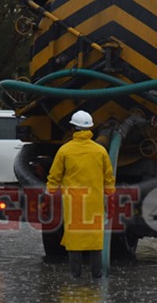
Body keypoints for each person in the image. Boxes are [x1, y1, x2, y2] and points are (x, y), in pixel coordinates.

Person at [46, 110, 116, 278]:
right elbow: (109, 177)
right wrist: (110, 197)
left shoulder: (65, 150)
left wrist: (49, 193)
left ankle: (75, 277)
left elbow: (54, 176)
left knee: (74, 240)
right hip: (95, 203)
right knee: (95, 242)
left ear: (73, 129)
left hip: (74, 203)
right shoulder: (100, 151)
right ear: (91, 128)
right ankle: (96, 277)